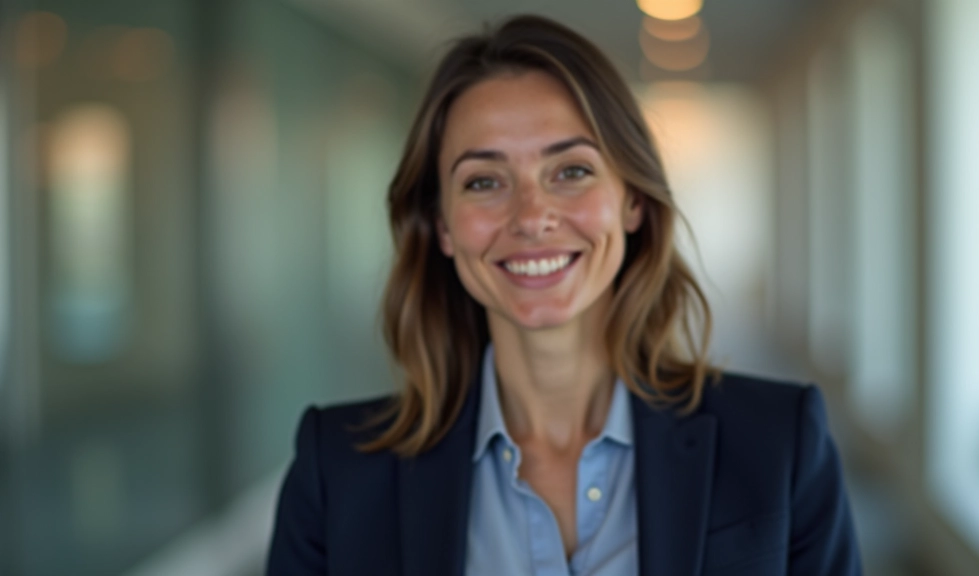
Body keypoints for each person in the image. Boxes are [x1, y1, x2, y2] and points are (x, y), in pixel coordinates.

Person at [266, 14, 861, 576]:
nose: (532, 216)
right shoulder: (338, 472)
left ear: (632, 201)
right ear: (442, 227)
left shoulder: (780, 445)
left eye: (571, 171)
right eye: (484, 181)